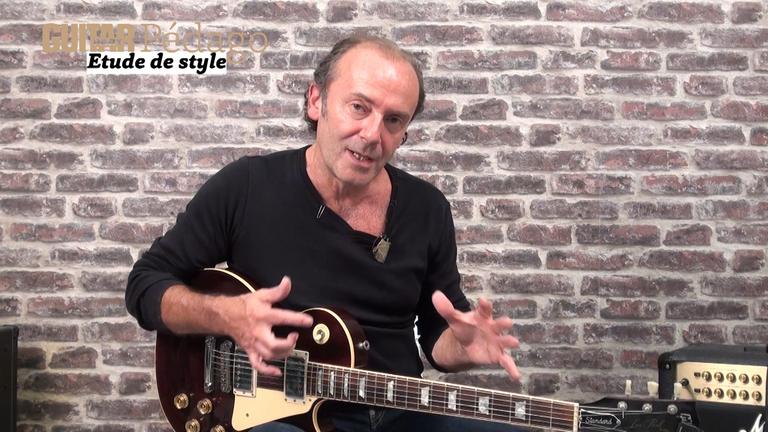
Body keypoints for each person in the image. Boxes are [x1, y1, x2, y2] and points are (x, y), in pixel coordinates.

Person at [126, 35, 523, 432]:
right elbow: (145, 285)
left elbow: (439, 333)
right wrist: (226, 315)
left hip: (398, 412)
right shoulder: (246, 187)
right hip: (282, 419)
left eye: (393, 120)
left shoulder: (428, 208)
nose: (372, 134)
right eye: (359, 107)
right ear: (316, 101)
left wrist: (464, 348)